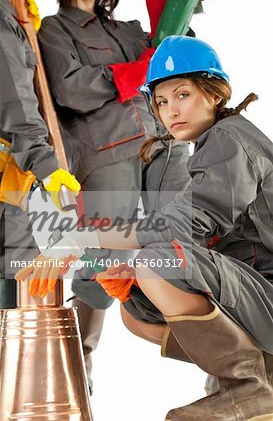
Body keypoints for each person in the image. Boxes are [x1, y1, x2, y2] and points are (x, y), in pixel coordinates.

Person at [17, 35, 273, 421]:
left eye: (182, 94)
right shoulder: (214, 145)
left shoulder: (229, 139)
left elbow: (183, 227)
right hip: (255, 296)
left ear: (214, 93)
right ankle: (261, 375)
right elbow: (189, 231)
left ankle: (248, 389)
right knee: (135, 307)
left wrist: (78, 236)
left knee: (156, 262)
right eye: (162, 101)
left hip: (265, 292)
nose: (171, 110)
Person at [37, 0, 190, 393]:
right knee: (101, 256)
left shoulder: (130, 30)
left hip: (163, 142)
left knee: (183, 242)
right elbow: (69, 90)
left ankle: (218, 356)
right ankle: (79, 364)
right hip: (104, 150)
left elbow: (176, 55)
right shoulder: (54, 28)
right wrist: (127, 73)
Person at [0, 0, 80, 310]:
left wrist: (24, 30)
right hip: (11, 170)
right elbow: (15, 102)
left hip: (12, 175)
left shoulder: (7, 12)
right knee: (14, 292)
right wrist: (47, 166)